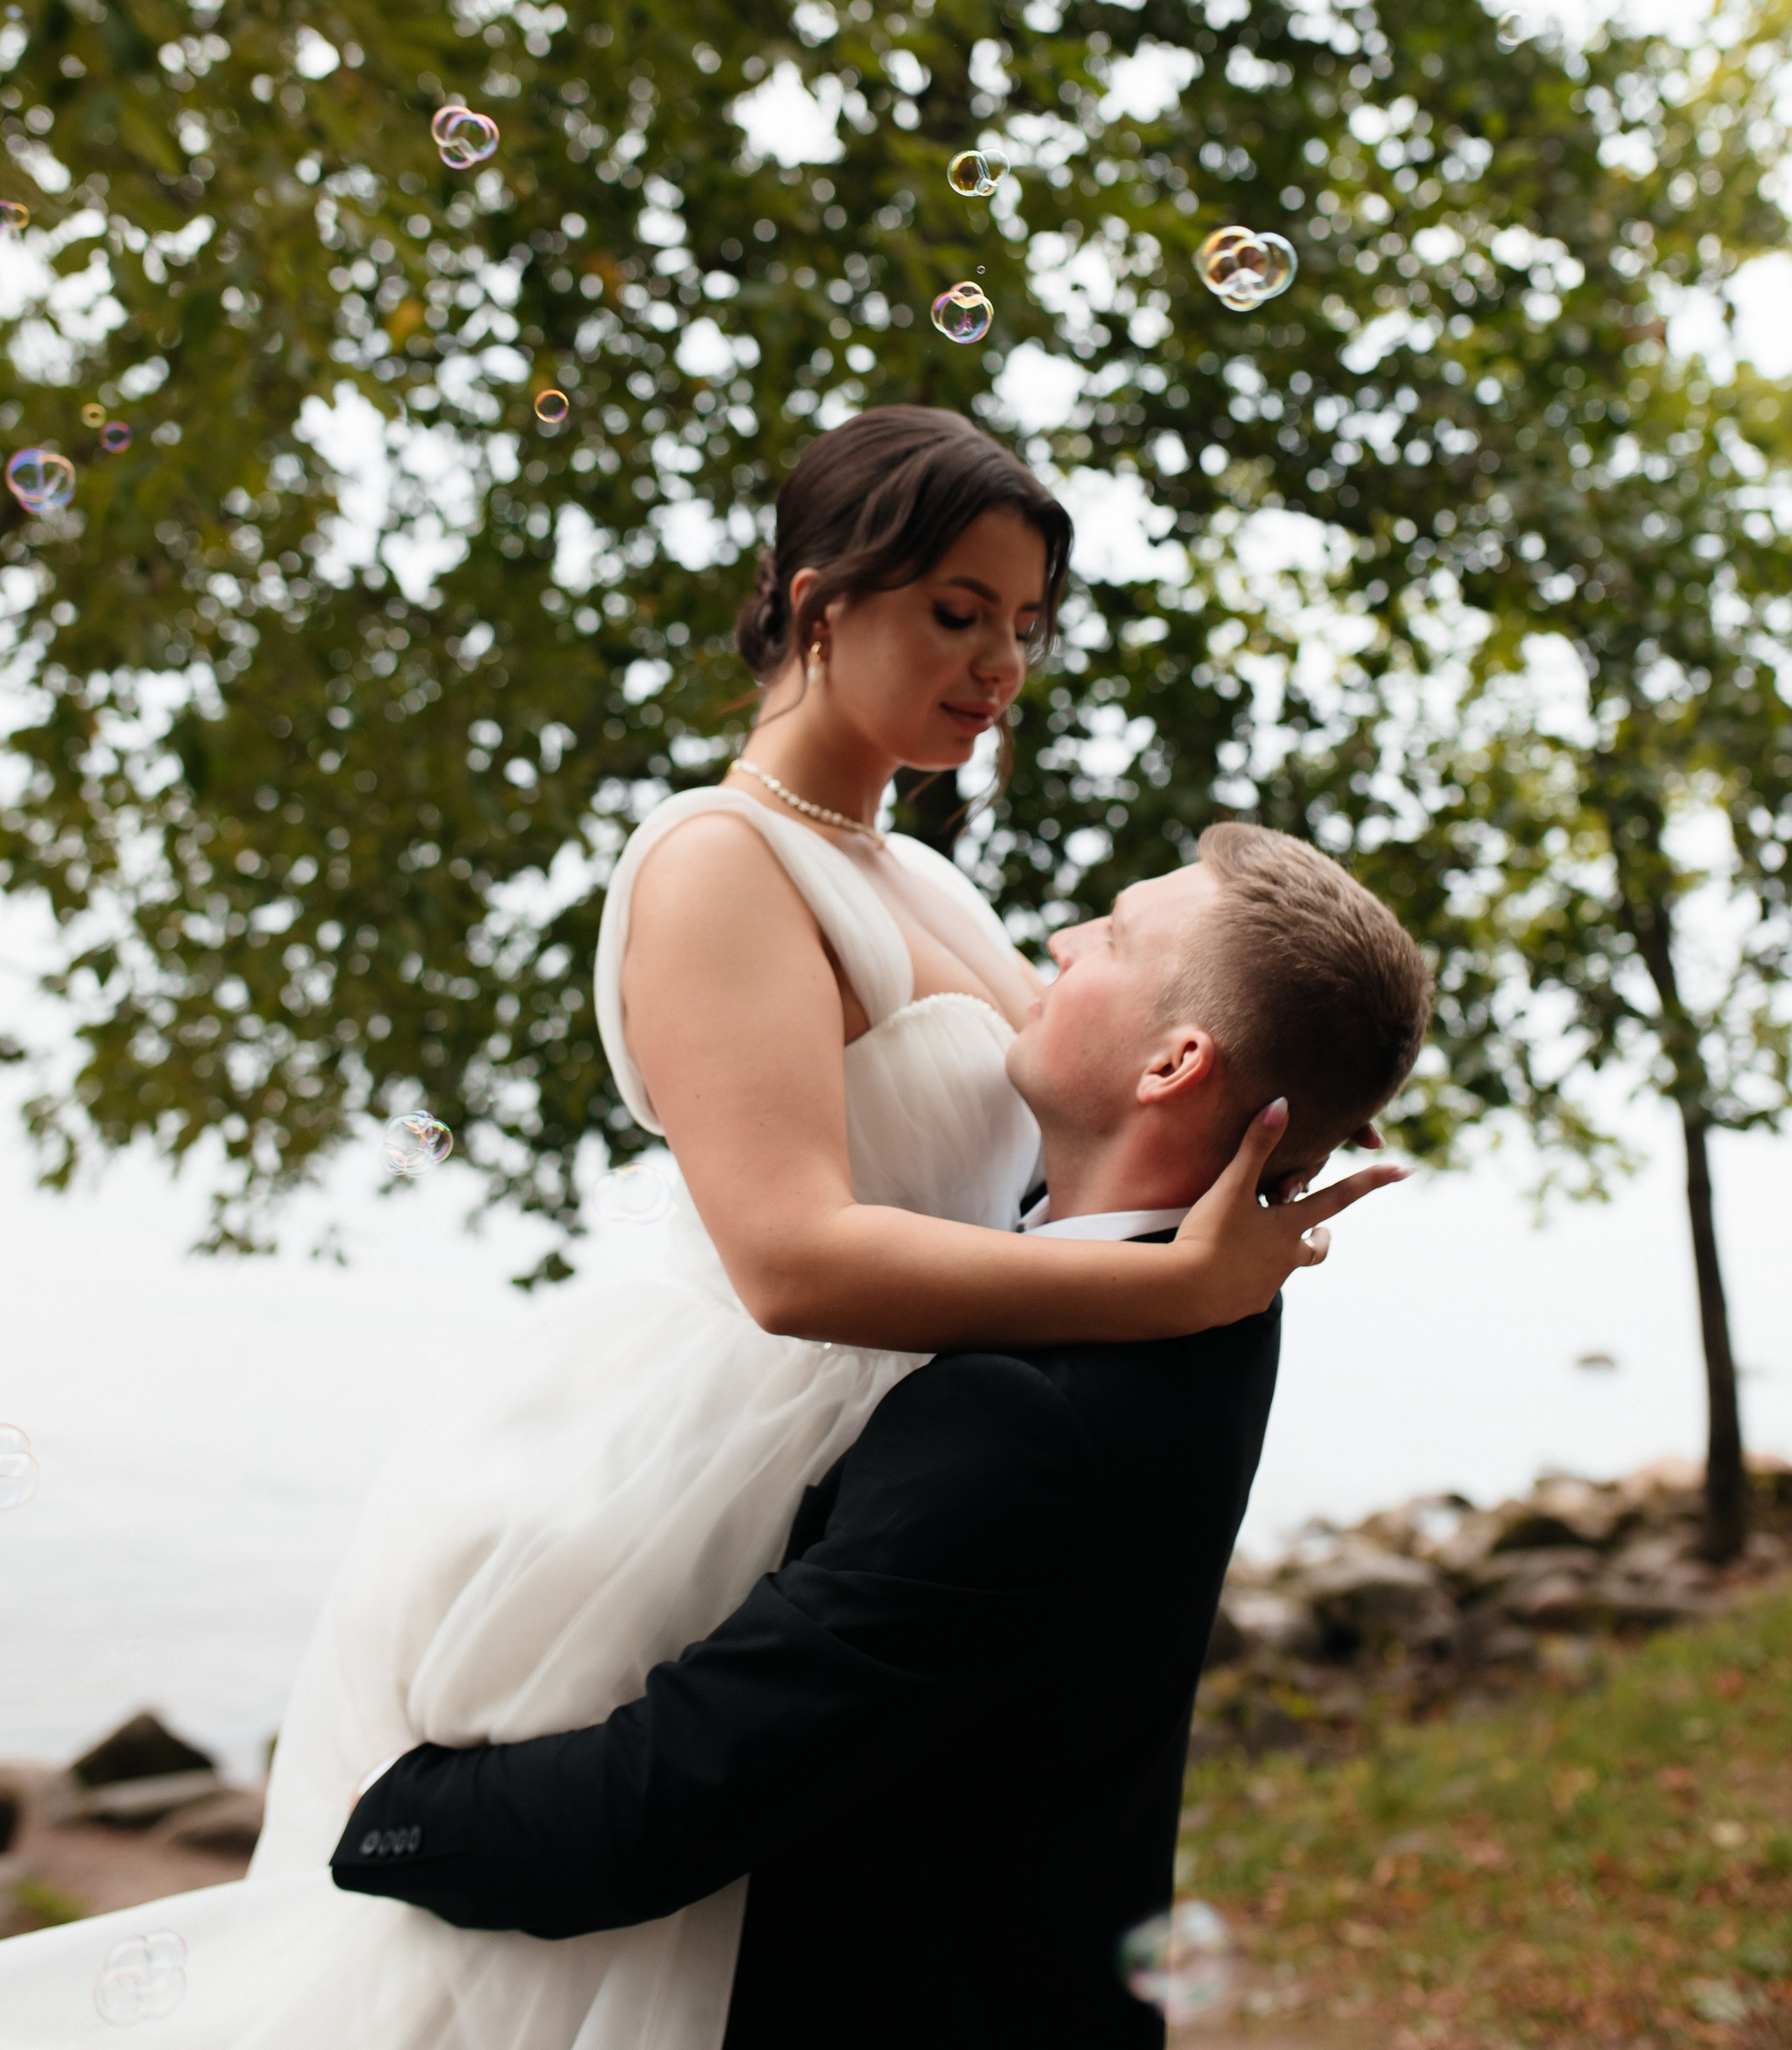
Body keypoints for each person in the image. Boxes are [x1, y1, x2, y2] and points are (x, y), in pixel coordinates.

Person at [0, 408, 1408, 2050]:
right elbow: (789, 1258)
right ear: (820, 603)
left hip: (898, 1451)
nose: (998, 667)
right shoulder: (716, 862)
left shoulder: (919, 878)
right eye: (957, 613)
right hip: (726, 1436)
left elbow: (1113, 1128)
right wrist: (1170, 1298)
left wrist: (1280, 1124)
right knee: (544, 1949)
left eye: (1022, 628)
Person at [331, 824, 1434, 2049]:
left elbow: (666, 1805)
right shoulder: (1221, 1302)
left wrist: (387, 1808)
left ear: (1175, 1061)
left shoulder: (1025, 1425)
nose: (1058, 944)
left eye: (1113, 935)